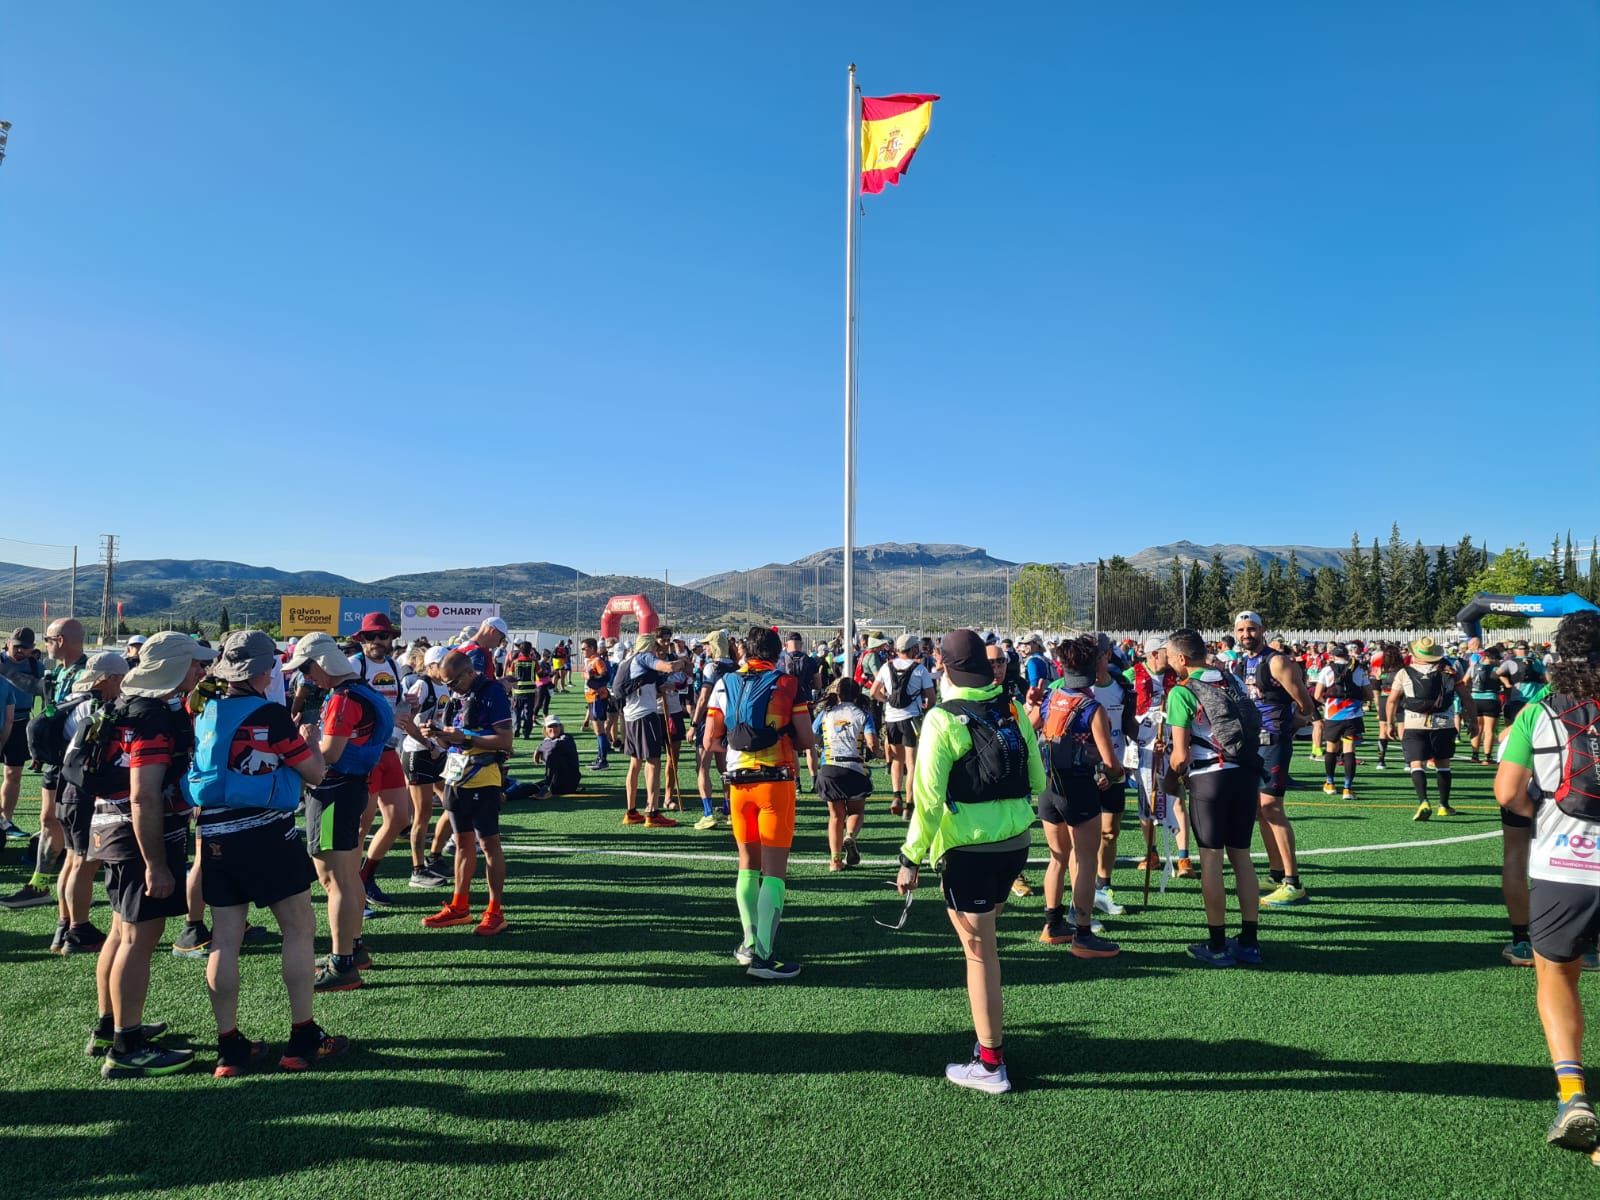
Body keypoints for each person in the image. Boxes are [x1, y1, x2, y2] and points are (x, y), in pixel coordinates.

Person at [188, 631, 348, 1077]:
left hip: (215, 833)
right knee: (298, 929)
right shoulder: (272, 716)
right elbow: (314, 772)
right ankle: (302, 1036)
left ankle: (229, 1048)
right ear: (264, 671)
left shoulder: (204, 711)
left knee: (224, 939)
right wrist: (309, 739)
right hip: (267, 833)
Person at [897, 629, 1044, 1093]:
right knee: (986, 943)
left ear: (943, 666)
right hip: (1015, 843)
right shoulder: (1012, 707)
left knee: (980, 956)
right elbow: (1036, 778)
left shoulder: (942, 719)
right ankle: (989, 1045)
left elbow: (928, 801)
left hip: (969, 850)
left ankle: (990, 1061)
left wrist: (910, 857)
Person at [1494, 611, 1600, 1157]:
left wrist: (1546, 815)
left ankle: (1573, 1093)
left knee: (1557, 978)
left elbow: (1507, 791)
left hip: (1566, 863)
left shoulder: (1540, 712)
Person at [85, 631, 214, 1077]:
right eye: (196, 664)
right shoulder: (153, 718)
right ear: (173, 667)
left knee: (122, 931)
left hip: (110, 827)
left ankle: (111, 1024)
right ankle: (127, 1046)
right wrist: (156, 863)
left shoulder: (125, 704)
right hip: (137, 834)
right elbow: (144, 796)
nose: (202, 671)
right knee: (139, 938)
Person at [704, 626, 815, 980]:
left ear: (743, 650)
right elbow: (807, 738)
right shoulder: (786, 684)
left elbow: (711, 740)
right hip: (775, 783)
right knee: (775, 871)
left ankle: (748, 943)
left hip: (737, 785)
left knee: (747, 865)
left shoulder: (723, 683)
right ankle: (764, 959)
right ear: (776, 651)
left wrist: (740, 747)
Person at [285, 633, 392, 992]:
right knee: (346, 876)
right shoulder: (363, 691)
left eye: (306, 669)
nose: (306, 678)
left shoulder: (342, 699)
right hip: (351, 789)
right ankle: (353, 950)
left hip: (333, 793)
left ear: (320, 663)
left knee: (335, 880)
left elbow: (328, 754)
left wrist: (307, 737)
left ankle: (342, 962)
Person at [1163, 628, 1263, 968]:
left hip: (1210, 779)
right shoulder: (1229, 678)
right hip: (1246, 774)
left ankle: (1217, 943)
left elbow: (1179, 756)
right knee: (1242, 858)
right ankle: (1249, 941)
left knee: (1211, 860)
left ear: (1180, 658)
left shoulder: (1182, 692)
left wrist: (1170, 780)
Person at [1029, 634, 1124, 958]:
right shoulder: (1091, 707)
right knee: (1084, 861)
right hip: (1078, 790)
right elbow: (1110, 762)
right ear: (1093, 667)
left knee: (1057, 858)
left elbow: (1031, 729)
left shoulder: (1051, 697)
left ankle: (1052, 925)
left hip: (1048, 789)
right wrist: (1114, 774)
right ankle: (1083, 934)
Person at [419, 648, 513, 934]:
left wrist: (467, 737)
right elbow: (452, 740)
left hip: (483, 778)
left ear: (470, 673)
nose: (450, 688)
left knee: (489, 845)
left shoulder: (491, 693)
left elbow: (505, 740)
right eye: (446, 683)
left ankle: (495, 911)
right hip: (456, 777)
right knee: (461, 843)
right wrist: (437, 734)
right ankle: (460, 906)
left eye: (454, 682)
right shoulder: (456, 696)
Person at [1233, 612, 1316, 906]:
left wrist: (1285, 728)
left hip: (1272, 742)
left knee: (1272, 808)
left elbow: (1306, 705)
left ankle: (1293, 883)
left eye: (1252, 629)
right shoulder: (1242, 662)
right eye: (1241, 629)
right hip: (1253, 743)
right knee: (1258, 809)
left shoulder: (1277, 661)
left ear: (1263, 630)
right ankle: (1277, 872)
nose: (1246, 634)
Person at [53, 651, 130, 955]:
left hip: (66, 789)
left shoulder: (74, 701)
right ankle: (78, 930)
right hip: (83, 793)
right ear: (110, 678)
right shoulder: (99, 708)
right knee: (85, 862)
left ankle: (65, 924)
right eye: (121, 678)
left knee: (73, 860)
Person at [345, 612, 420, 909]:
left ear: (391, 639)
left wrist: (408, 707)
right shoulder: (354, 665)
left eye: (382, 636)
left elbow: (395, 707)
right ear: (361, 640)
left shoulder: (393, 665)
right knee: (361, 825)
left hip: (389, 748)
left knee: (400, 818)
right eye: (370, 636)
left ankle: (365, 876)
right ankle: (352, 890)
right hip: (364, 752)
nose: (377, 641)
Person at [1126, 636, 1198, 880]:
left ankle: (1184, 858)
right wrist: (1140, 739)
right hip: (1145, 749)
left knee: (1177, 799)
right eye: (1166, 651)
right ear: (1154, 653)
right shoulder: (1129, 677)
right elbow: (1125, 715)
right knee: (1147, 801)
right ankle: (1152, 853)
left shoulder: (1177, 677)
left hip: (1171, 744)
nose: (1171, 655)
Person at [1387, 637, 1475, 823]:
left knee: (1416, 764)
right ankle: (1443, 805)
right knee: (1443, 765)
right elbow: (1466, 697)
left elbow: (1392, 700)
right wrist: (1473, 721)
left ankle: (1423, 801)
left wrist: (1389, 723)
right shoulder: (1449, 672)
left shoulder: (1404, 672)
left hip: (1414, 723)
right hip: (1444, 723)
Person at [616, 632, 689, 827]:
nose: (658, 650)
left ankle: (631, 811)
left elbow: (648, 687)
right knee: (654, 761)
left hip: (630, 715)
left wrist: (665, 687)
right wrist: (683, 661)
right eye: (656, 646)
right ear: (649, 646)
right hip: (644, 716)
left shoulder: (627, 660)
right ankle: (652, 811)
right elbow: (669, 666)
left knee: (635, 763)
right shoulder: (644, 657)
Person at [812, 678, 876, 871]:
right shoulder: (863, 714)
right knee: (856, 811)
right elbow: (872, 742)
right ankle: (850, 836)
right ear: (857, 694)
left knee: (835, 816)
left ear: (837, 694)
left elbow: (813, 734)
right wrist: (877, 752)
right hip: (854, 767)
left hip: (830, 767)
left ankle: (835, 861)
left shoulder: (826, 713)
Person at [401, 644, 451, 888]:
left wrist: (441, 742)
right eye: (445, 665)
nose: (449, 669)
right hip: (418, 752)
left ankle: (435, 856)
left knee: (453, 801)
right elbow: (406, 722)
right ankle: (417, 869)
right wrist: (429, 744)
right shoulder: (423, 685)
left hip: (436, 750)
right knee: (422, 814)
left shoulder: (445, 686)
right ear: (433, 666)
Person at [869, 633, 935, 818]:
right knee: (912, 762)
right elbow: (932, 698)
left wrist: (887, 700)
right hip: (911, 719)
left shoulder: (886, 666)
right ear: (913, 648)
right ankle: (909, 803)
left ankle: (896, 795)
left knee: (896, 759)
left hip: (891, 719)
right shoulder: (920, 669)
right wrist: (925, 708)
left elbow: (874, 692)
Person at [0, 628, 46, 841]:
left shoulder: (36, 667)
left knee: (13, 774)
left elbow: (40, 691)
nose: (19, 650)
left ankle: (5, 821)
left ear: (32, 650)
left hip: (20, 724)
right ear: (8, 643)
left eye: (24, 648)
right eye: (16, 645)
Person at [1314, 643, 1372, 800]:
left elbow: (1317, 694)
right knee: (1349, 751)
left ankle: (1330, 783)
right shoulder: (1359, 669)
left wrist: (1327, 705)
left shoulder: (1327, 670)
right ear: (1347, 656)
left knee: (1331, 749)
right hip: (1353, 716)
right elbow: (1369, 694)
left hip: (1333, 716)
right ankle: (1348, 789)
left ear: (1333, 656)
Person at [1470, 644, 1507, 764]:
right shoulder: (1496, 669)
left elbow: (1465, 681)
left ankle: (1474, 755)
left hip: (1475, 699)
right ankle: (1487, 757)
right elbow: (1506, 684)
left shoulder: (1473, 667)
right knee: (1489, 730)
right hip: (1491, 699)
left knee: (1477, 728)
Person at [531, 714, 581, 799]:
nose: (553, 729)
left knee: (554, 753)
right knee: (529, 787)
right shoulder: (547, 741)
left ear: (561, 727)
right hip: (554, 782)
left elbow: (555, 745)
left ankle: (547, 788)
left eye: (555, 726)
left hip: (568, 783)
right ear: (545, 729)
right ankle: (505, 795)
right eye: (550, 726)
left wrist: (539, 748)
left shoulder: (567, 738)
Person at [508, 642, 539, 738]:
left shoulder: (515, 662)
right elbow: (540, 672)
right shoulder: (533, 662)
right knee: (528, 713)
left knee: (516, 711)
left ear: (520, 650)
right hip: (530, 691)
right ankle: (526, 733)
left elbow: (510, 675)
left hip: (517, 691)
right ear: (530, 650)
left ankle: (516, 728)